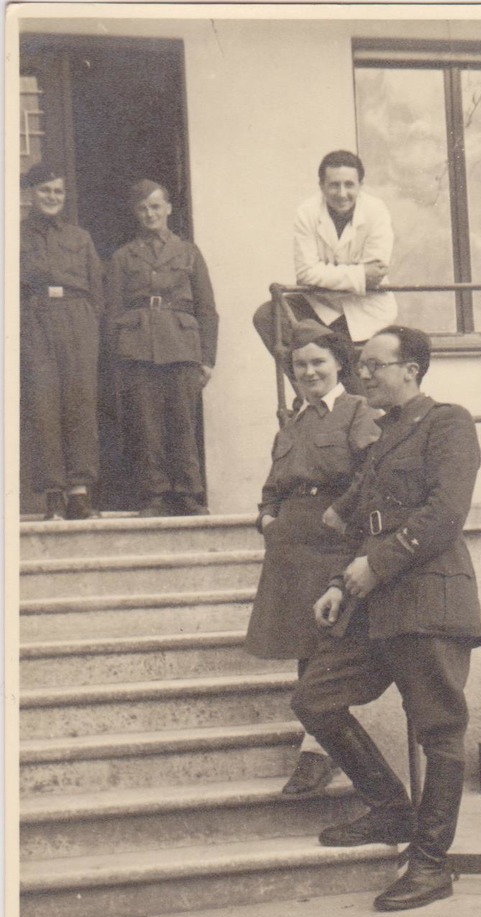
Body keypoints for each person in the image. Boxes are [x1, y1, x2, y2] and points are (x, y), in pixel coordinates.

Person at [290, 325, 481, 911]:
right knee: (314, 699)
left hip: (428, 600)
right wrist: (337, 584)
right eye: (361, 365)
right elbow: (351, 524)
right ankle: (391, 808)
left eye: (375, 365)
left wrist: (373, 568)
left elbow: (445, 513)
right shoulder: (381, 439)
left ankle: (431, 862)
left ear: (412, 369)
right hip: (375, 607)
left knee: (438, 731)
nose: (363, 374)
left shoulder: (447, 423)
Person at [245, 320, 382, 795]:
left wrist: (342, 515)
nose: (308, 372)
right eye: (299, 365)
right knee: (305, 648)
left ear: (339, 364)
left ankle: (317, 752)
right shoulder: (293, 422)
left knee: (329, 650)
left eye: (317, 362)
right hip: (290, 547)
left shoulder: (357, 410)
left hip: (334, 542)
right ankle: (319, 748)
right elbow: (271, 487)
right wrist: (267, 519)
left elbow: (371, 474)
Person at [106, 179, 219, 517]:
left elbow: (207, 308)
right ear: (135, 214)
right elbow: (111, 312)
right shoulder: (123, 256)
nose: (150, 214)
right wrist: (118, 357)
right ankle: (154, 494)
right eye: (142, 209)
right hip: (138, 346)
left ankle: (187, 493)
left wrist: (207, 359)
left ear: (168, 208)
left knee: (182, 421)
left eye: (156, 206)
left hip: (182, 345)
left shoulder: (188, 252)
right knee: (147, 423)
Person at [253, 150, 398, 391]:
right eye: (334, 185)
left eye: (349, 185)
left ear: (361, 185)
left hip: (367, 311)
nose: (342, 194)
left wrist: (329, 276)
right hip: (321, 308)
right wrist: (359, 276)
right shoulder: (307, 212)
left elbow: (376, 274)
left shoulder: (376, 211)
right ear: (321, 186)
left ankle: (336, 398)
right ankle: (312, 389)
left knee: (359, 393)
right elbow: (306, 275)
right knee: (269, 315)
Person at [20, 161, 103, 520]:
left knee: (79, 401)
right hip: (35, 317)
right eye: (45, 190)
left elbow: (96, 289)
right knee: (43, 402)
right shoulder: (16, 235)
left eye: (58, 191)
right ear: (30, 194)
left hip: (76, 317)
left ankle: (79, 492)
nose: (52, 197)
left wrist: (87, 325)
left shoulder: (79, 237)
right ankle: (52, 493)